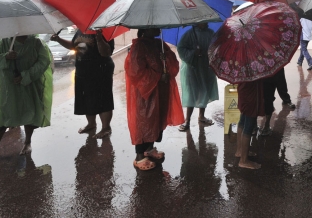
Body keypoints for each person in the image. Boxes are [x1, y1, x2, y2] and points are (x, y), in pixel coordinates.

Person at [0, 35, 53, 165]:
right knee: (1, 118)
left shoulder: (37, 43)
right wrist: (5, 57)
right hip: (7, 88)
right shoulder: (1, 43)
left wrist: (26, 75)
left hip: (30, 85)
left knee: (29, 113)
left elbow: (44, 61)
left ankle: (27, 143)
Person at [125, 28, 184, 171]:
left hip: (161, 90)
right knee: (144, 121)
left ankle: (150, 149)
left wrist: (167, 60)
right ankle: (139, 155)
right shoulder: (139, 46)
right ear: (146, 28)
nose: (158, 28)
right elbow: (135, 71)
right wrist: (157, 77)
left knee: (157, 119)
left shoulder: (160, 44)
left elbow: (173, 64)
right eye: (154, 26)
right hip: (145, 93)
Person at [51, 30, 115, 139]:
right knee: (87, 98)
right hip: (82, 70)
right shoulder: (81, 30)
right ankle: (91, 124)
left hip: (100, 70)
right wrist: (58, 39)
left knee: (103, 98)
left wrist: (99, 39)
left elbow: (106, 52)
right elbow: (73, 45)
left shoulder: (104, 30)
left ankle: (106, 128)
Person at [177, 23, 219, 131]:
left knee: (204, 90)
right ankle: (187, 121)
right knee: (192, 93)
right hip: (193, 69)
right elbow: (181, 48)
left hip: (206, 68)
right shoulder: (189, 34)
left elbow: (217, 47)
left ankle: (201, 116)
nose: (206, 22)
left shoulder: (211, 33)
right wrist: (193, 53)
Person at [235, 79, 263, 169]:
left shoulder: (242, 65)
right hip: (251, 94)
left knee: (243, 120)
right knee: (248, 126)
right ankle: (243, 160)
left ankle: (240, 151)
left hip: (244, 90)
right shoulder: (252, 66)